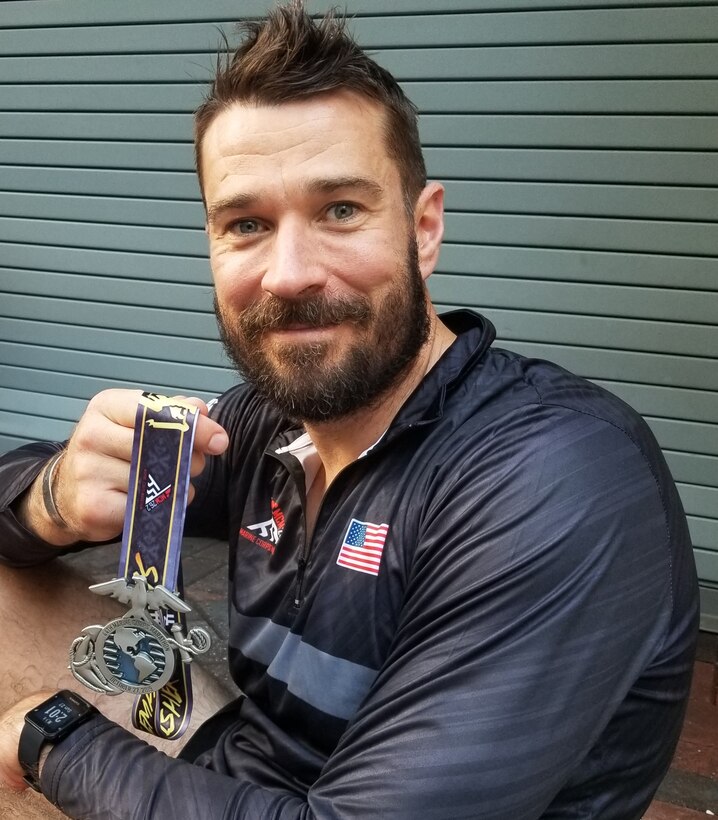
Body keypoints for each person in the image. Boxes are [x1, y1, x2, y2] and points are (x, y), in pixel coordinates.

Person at [0, 2, 699, 818]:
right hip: (242, 764)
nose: (290, 273)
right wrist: (51, 498)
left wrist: (52, 739)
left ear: (424, 227)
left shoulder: (554, 476)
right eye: (247, 223)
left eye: (340, 210)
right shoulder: (265, 420)